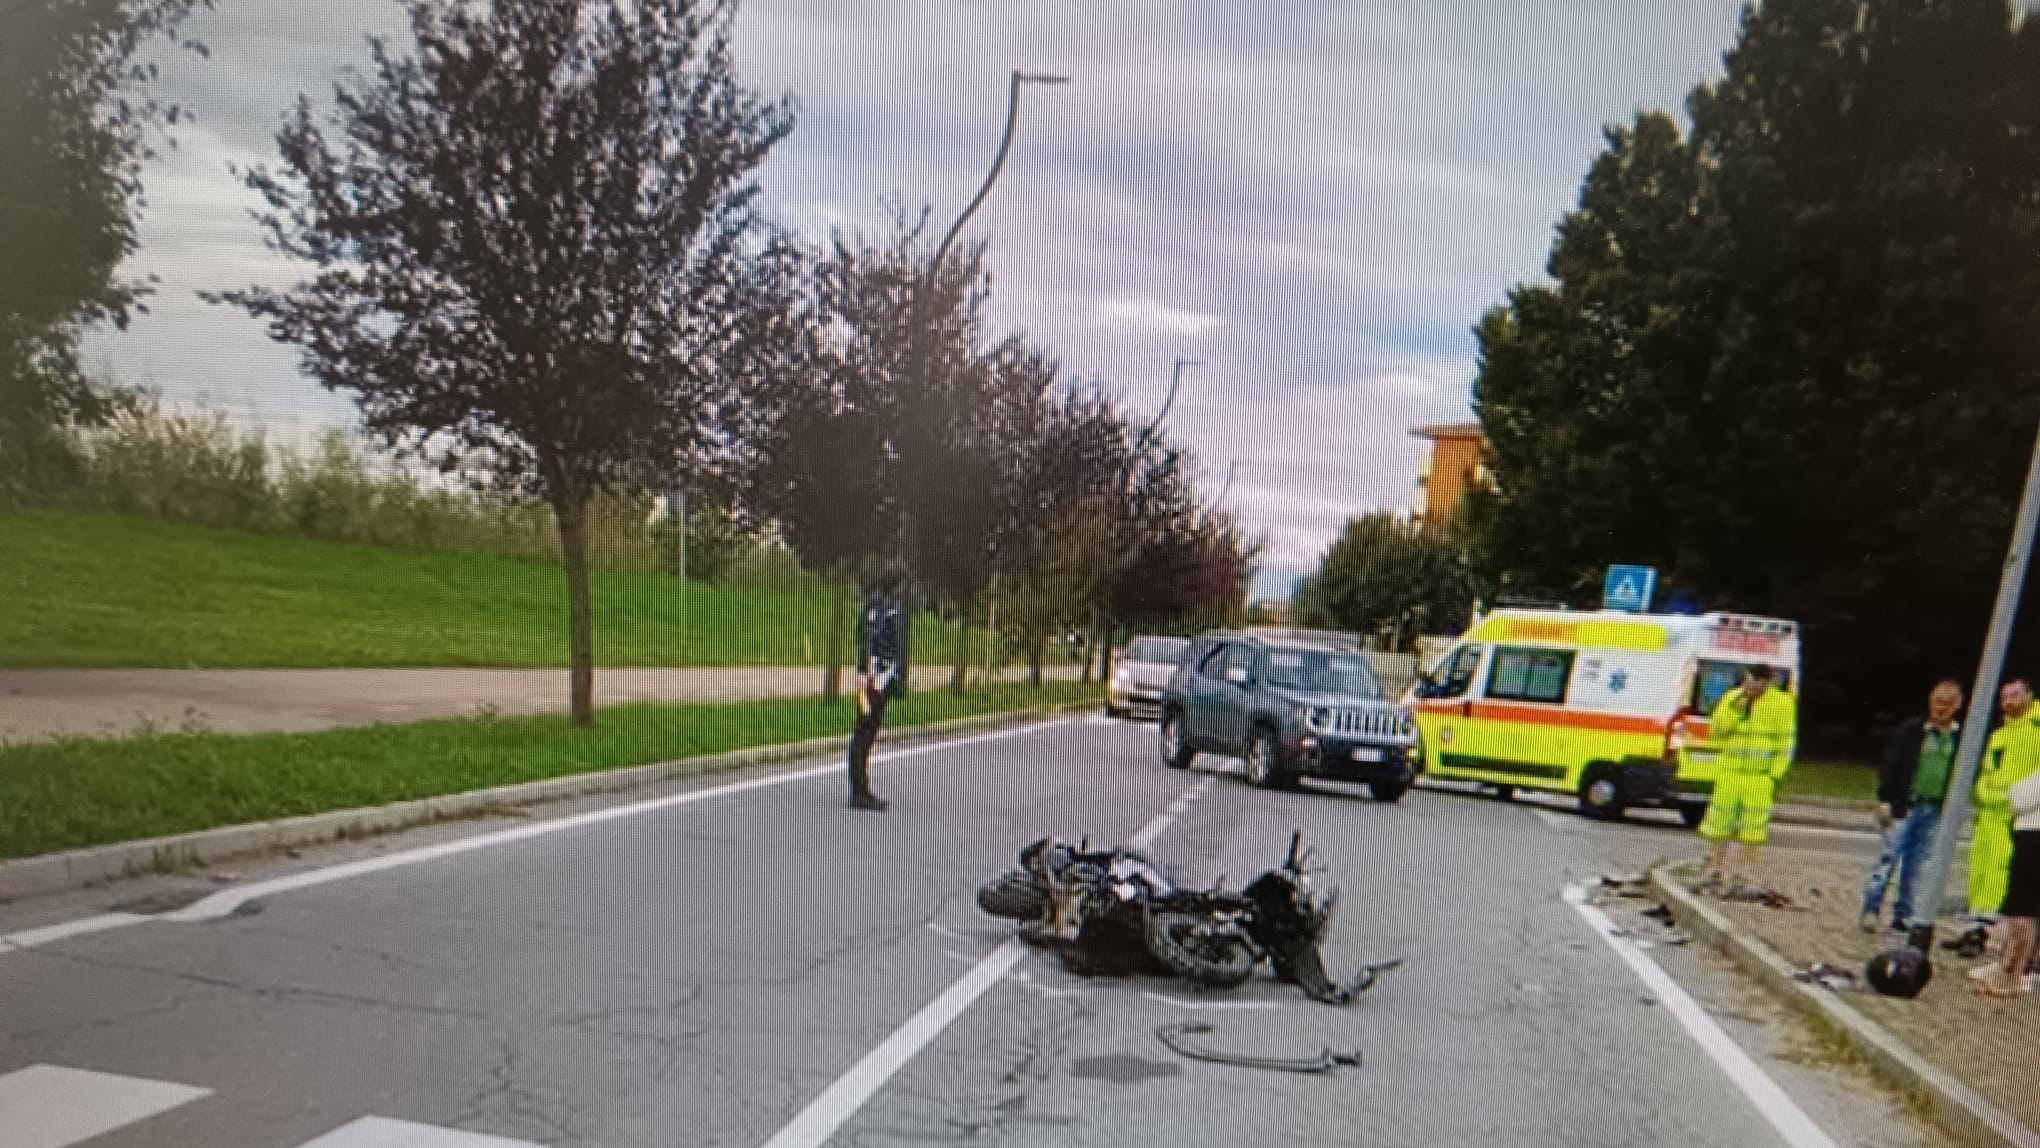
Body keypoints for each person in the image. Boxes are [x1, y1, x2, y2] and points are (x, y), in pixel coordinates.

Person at [1859, 680, 1964, 932]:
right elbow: (1890, 765)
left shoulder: (1959, 738)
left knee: (1916, 865)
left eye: (1947, 704)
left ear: (1957, 706)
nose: (1941, 708)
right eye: (1938, 702)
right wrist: (1884, 799)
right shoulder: (1911, 731)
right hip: (1905, 805)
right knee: (1888, 860)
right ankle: (1871, 909)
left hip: (1934, 809)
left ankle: (1904, 914)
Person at [1699, 665, 1797, 882]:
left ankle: (1744, 874)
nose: (1754, 685)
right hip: (1730, 773)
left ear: (1768, 682)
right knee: (1719, 823)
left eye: (1760, 681)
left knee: (1753, 828)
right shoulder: (1733, 698)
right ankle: (1715, 868)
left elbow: (1786, 742)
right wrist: (1738, 705)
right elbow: (1717, 731)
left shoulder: (1782, 703)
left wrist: (1774, 774)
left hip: (1759, 776)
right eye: (1751, 680)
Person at [1975, 727, 2040, 997]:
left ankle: (2016, 974)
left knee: (2021, 910)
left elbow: (2021, 799)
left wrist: (2012, 788)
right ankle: (2013, 967)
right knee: (2024, 911)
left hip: (2032, 838)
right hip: (2028, 834)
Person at [846, 588, 905, 812]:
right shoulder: (876, 605)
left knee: (869, 732)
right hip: (873, 678)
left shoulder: (890, 603)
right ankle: (859, 791)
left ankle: (862, 789)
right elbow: (868, 637)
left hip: (883, 677)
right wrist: (863, 670)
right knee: (864, 732)